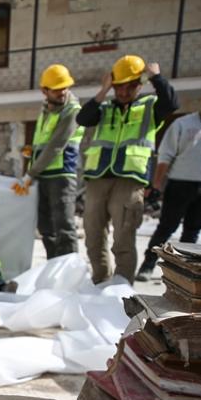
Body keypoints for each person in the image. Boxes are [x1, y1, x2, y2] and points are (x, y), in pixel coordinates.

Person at [76, 54, 178, 283]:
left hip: (129, 179)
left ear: (139, 85)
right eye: (119, 87)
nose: (123, 92)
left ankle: (121, 290)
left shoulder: (150, 107)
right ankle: (100, 282)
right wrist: (103, 91)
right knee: (93, 237)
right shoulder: (105, 107)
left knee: (123, 238)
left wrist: (157, 77)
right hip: (97, 178)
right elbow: (83, 118)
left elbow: (171, 103)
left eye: (129, 87)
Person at [135, 82, 201, 280]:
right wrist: (156, 184)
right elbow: (165, 156)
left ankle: (182, 271)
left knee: (192, 232)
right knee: (166, 227)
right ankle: (148, 264)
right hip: (180, 183)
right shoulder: (183, 124)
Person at [15, 63, 84, 259]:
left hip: (61, 175)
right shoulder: (46, 110)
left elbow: (56, 146)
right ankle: (53, 266)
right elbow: (44, 144)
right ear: (44, 91)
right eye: (57, 89)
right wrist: (32, 152)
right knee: (46, 227)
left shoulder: (72, 110)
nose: (62, 92)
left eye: (65, 87)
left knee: (64, 226)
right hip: (43, 175)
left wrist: (30, 173)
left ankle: (69, 271)